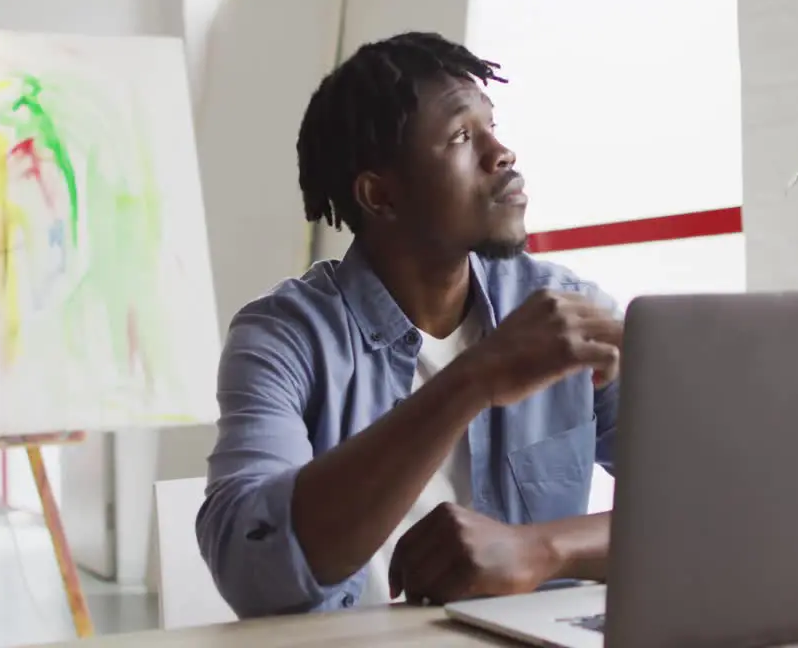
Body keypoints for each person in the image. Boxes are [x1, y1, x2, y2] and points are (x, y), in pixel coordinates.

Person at [197, 31, 625, 618]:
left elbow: (720, 503)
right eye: (461, 136)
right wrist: (471, 381)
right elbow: (255, 573)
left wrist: (543, 549)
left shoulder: (565, 310)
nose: (501, 153)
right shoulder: (283, 339)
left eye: (493, 126)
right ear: (380, 195)